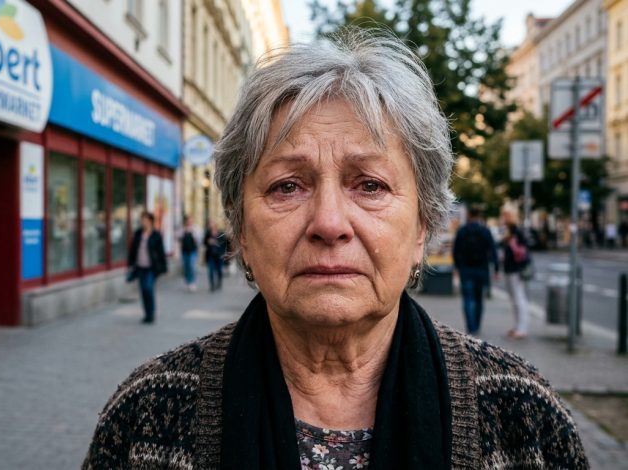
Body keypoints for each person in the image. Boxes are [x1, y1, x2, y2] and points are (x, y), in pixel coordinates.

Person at [84, 29, 587, 468]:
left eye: (369, 185)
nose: (329, 223)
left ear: (422, 226)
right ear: (239, 228)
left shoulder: (521, 413)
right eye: (287, 186)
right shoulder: (147, 414)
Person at [452, 206, 498, 335]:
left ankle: (470, 327)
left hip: (466, 269)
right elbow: (492, 250)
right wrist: (496, 268)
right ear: (479, 216)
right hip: (482, 269)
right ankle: (477, 326)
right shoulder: (485, 231)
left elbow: (456, 251)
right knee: (479, 299)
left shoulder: (462, 231)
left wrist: (457, 266)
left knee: (468, 299)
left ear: (469, 216)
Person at [127, 211, 167, 324]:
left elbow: (161, 252)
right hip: (140, 267)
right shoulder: (138, 233)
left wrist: (164, 268)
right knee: (143, 290)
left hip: (151, 267)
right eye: (141, 219)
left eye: (144, 219)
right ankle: (147, 314)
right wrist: (130, 265)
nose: (142, 222)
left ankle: (152, 312)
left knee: (148, 288)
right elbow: (133, 250)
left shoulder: (156, 235)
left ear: (150, 221)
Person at [501, 213, 531, 339]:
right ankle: (517, 326)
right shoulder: (511, 232)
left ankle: (522, 328)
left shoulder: (516, 232)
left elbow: (521, 252)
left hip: (516, 270)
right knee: (515, 299)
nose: (503, 218)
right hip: (511, 269)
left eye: (505, 215)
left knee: (519, 298)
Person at [204, 221, 227, 291]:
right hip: (211, 255)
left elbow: (225, 243)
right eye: (211, 226)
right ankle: (212, 285)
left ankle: (219, 281)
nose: (212, 228)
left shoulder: (221, 234)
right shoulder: (208, 234)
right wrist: (208, 242)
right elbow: (204, 242)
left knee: (219, 270)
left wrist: (216, 242)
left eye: (214, 226)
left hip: (219, 255)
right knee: (211, 270)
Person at [179, 215, 199, 291]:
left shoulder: (195, 228)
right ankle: (188, 280)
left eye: (191, 220)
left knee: (191, 266)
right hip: (184, 251)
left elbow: (198, 239)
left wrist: (193, 233)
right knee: (186, 266)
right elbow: (178, 238)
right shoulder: (182, 229)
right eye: (188, 220)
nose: (189, 222)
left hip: (193, 250)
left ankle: (192, 282)